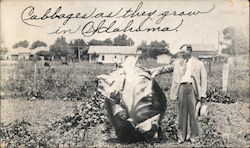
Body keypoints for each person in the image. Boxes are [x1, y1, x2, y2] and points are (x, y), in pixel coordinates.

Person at [151, 44, 207, 143]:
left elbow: (204, 80)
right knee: (182, 114)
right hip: (181, 88)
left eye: (183, 52)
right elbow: (166, 68)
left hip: (193, 89)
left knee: (193, 114)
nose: (181, 54)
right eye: (180, 52)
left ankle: (194, 137)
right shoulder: (178, 63)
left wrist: (203, 95)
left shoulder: (199, 64)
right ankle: (181, 137)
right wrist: (153, 71)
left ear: (190, 51)